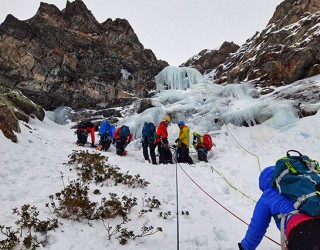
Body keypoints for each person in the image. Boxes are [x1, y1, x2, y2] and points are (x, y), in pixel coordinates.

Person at [239, 166, 320, 250]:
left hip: (301, 230)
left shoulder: (268, 196)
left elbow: (256, 228)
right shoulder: (302, 188)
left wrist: (244, 247)